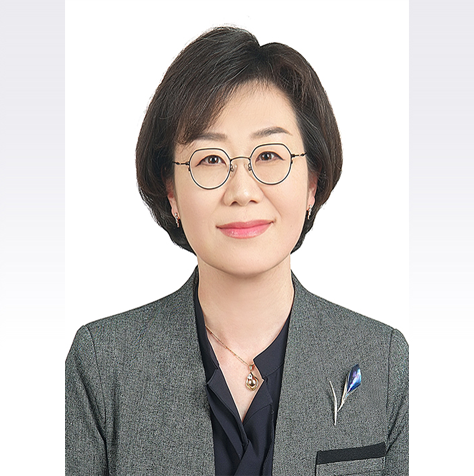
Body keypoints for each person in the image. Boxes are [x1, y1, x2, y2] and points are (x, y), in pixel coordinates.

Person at [66, 27, 408, 475]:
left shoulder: (384, 360)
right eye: (211, 159)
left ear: (312, 182)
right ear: (171, 191)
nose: (242, 191)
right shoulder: (101, 365)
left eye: (269, 156)